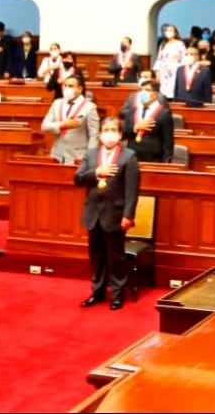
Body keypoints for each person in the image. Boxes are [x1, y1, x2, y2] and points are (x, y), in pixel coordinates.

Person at [75, 117, 138, 311]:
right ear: (100, 134)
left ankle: (117, 295)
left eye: (113, 130)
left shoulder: (128, 156)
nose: (109, 133)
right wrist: (97, 172)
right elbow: (78, 178)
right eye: (106, 130)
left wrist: (128, 215)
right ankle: (98, 292)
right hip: (93, 214)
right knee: (96, 256)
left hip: (115, 214)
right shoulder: (92, 154)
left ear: (119, 135)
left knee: (115, 257)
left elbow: (132, 191)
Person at [42, 74, 100, 164]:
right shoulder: (57, 103)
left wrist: (90, 158)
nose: (67, 88)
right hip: (57, 155)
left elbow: (94, 135)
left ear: (80, 89)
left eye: (71, 86)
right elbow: (44, 126)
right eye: (65, 86)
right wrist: (62, 125)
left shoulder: (90, 107)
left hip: (78, 156)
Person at [119, 80, 174, 163]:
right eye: (141, 90)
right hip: (132, 156)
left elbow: (168, 142)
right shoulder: (132, 111)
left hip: (153, 158)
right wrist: (135, 127)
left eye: (147, 90)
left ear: (155, 94)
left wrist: (166, 162)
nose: (143, 93)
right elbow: (124, 134)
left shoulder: (164, 113)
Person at [153, 24, 186, 100]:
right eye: (167, 30)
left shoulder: (180, 44)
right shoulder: (163, 44)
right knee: (164, 95)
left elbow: (183, 59)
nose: (168, 32)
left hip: (175, 72)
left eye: (171, 30)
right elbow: (159, 59)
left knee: (173, 92)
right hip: (164, 73)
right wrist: (157, 72)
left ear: (175, 32)